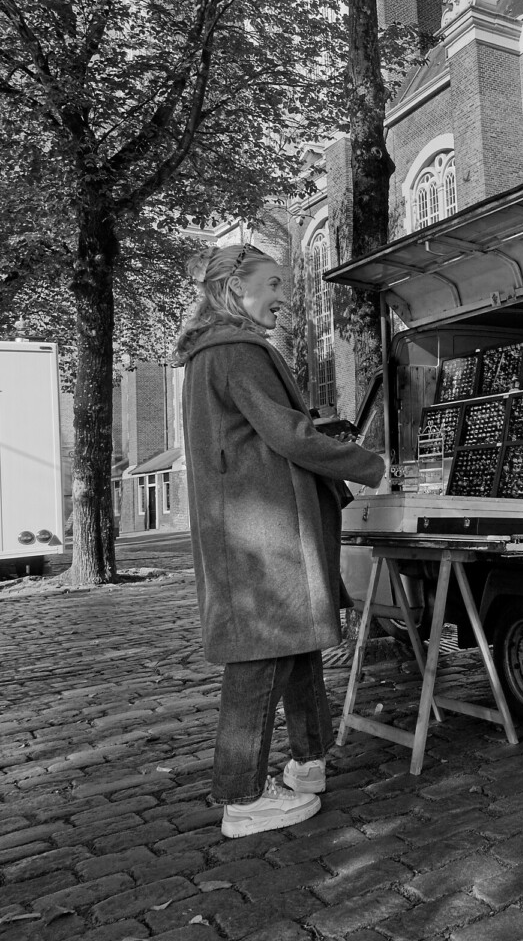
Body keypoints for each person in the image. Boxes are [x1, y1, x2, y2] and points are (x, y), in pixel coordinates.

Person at [175, 244, 387, 838]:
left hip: (251, 530)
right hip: (265, 535)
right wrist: (370, 465)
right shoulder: (238, 351)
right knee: (260, 656)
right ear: (233, 290)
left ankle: (308, 762)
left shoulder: (209, 356)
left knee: (295, 647)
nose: (283, 297)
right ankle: (241, 795)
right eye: (272, 283)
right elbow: (288, 434)